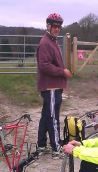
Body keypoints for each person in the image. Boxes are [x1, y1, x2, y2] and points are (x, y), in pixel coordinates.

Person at [36, 13, 72, 159]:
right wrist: (62, 71)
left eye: (59, 26)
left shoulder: (52, 41)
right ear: (48, 26)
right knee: (53, 117)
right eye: (54, 26)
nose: (57, 29)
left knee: (46, 116)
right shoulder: (45, 43)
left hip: (54, 86)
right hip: (50, 87)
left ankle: (41, 145)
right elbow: (44, 66)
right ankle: (56, 147)